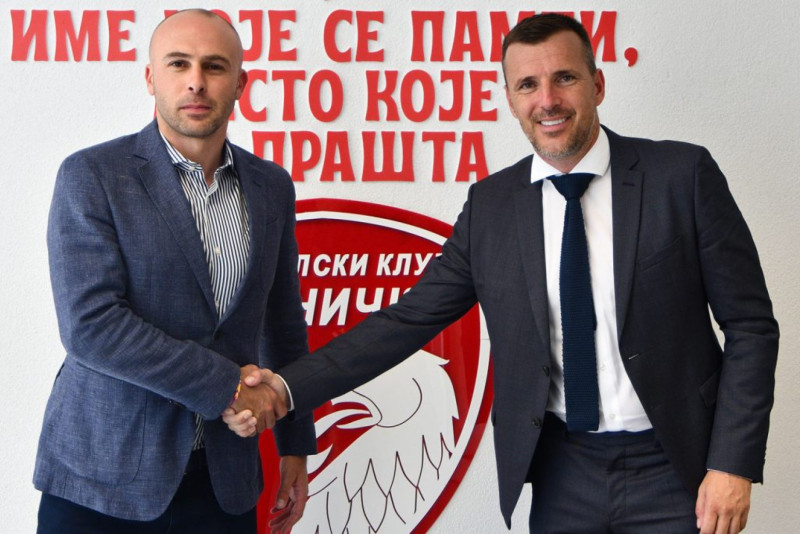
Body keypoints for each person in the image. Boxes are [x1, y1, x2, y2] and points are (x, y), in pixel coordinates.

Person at [226, 12, 779, 534]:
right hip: (563, 471)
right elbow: (405, 322)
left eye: (565, 78)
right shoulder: (492, 206)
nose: (548, 100)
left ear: (597, 84)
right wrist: (285, 387)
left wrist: (731, 463)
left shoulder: (681, 176)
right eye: (527, 85)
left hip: (677, 468)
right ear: (511, 100)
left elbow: (751, 326)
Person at [33, 9, 315, 534]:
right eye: (179, 63)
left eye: (214, 66)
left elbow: (282, 324)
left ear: (240, 84)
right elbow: (92, 326)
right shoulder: (92, 175)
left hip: (223, 484)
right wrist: (229, 387)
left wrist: (294, 446)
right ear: (151, 77)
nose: (196, 81)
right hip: (103, 477)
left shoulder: (271, 186)